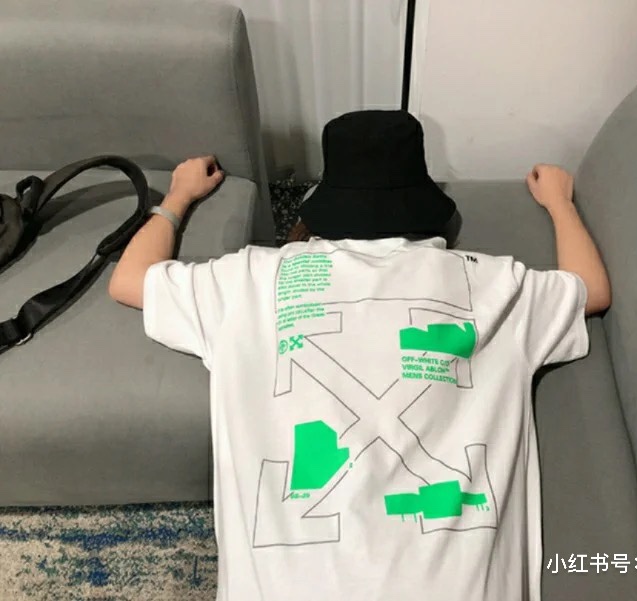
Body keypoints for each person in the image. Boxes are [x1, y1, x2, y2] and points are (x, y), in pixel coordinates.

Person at [108, 110, 610, 601]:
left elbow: (129, 281)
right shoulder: (491, 284)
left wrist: (178, 197)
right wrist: (559, 203)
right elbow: (591, 289)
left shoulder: (252, 280)